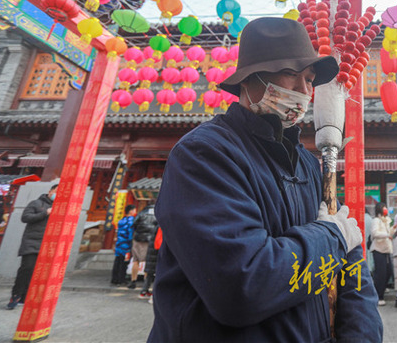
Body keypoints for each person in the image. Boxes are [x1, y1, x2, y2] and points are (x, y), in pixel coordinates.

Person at [149, 17, 381, 342]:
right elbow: (242, 287)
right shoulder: (205, 154)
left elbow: (351, 260)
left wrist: (360, 336)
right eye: (290, 74)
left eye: (310, 80)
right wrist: (331, 237)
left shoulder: (308, 165)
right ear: (249, 80)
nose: (303, 91)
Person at [6, 184, 57, 310]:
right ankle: (16, 295)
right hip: (32, 242)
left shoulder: (60, 207)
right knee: (27, 268)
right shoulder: (36, 203)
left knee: (39, 272)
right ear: (50, 191)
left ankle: (27, 297)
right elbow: (25, 217)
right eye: (56, 191)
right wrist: (45, 213)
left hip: (48, 243)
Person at [129, 203, 158, 289]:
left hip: (138, 239)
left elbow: (133, 224)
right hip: (150, 239)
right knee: (147, 261)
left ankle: (133, 281)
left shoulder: (141, 213)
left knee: (136, 260)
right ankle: (146, 282)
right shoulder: (156, 214)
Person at [370, 201, 393, 306]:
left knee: (389, 272)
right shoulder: (376, 220)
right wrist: (387, 234)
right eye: (384, 208)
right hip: (378, 249)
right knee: (381, 274)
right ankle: (379, 296)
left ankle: (381, 288)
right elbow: (375, 233)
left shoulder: (386, 220)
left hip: (387, 249)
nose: (386, 209)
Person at [111, 204, 136, 285]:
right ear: (131, 211)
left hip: (119, 243)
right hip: (126, 245)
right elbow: (130, 233)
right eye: (134, 210)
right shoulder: (131, 220)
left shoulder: (121, 220)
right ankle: (121, 279)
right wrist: (131, 243)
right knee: (124, 262)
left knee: (117, 261)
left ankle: (114, 278)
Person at [140, 223, 160, 300]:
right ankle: (154, 295)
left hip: (152, 253)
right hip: (156, 254)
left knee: (150, 274)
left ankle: (144, 291)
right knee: (157, 274)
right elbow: (158, 243)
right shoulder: (161, 227)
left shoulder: (156, 227)